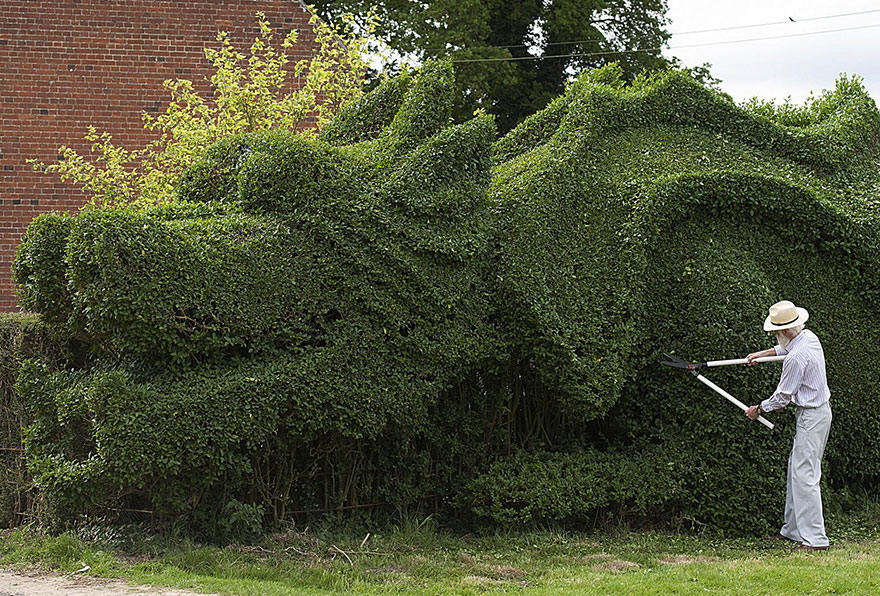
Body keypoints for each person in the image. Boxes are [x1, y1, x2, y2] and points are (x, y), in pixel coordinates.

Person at [744, 300, 832, 552]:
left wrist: (758, 409)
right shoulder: (808, 337)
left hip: (813, 416)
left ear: (783, 331)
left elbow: (783, 396)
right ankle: (793, 531)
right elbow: (785, 349)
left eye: (774, 331)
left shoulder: (796, 357)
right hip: (813, 415)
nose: (774, 334)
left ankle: (816, 540)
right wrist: (762, 355)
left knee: (805, 475)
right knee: (797, 470)